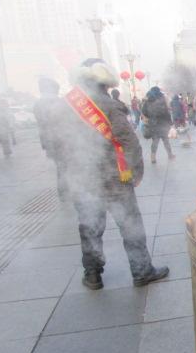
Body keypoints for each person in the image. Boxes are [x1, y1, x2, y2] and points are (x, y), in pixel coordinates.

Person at [58, 58, 169, 289]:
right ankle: (142, 271)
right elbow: (129, 141)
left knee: (90, 227)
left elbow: (59, 145)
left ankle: (92, 274)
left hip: (83, 179)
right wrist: (135, 171)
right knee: (130, 225)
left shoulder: (67, 107)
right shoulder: (109, 105)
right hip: (114, 180)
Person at [33, 77, 70, 201]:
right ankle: (66, 190)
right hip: (62, 139)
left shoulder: (38, 104)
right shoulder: (58, 102)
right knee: (65, 165)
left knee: (61, 166)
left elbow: (41, 124)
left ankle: (64, 191)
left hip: (49, 140)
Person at [141, 86, 174, 163]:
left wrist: (150, 117)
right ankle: (170, 155)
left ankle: (153, 157)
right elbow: (166, 112)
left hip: (153, 124)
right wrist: (170, 123)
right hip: (163, 123)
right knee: (166, 140)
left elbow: (144, 112)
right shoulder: (162, 99)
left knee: (155, 141)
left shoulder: (148, 101)